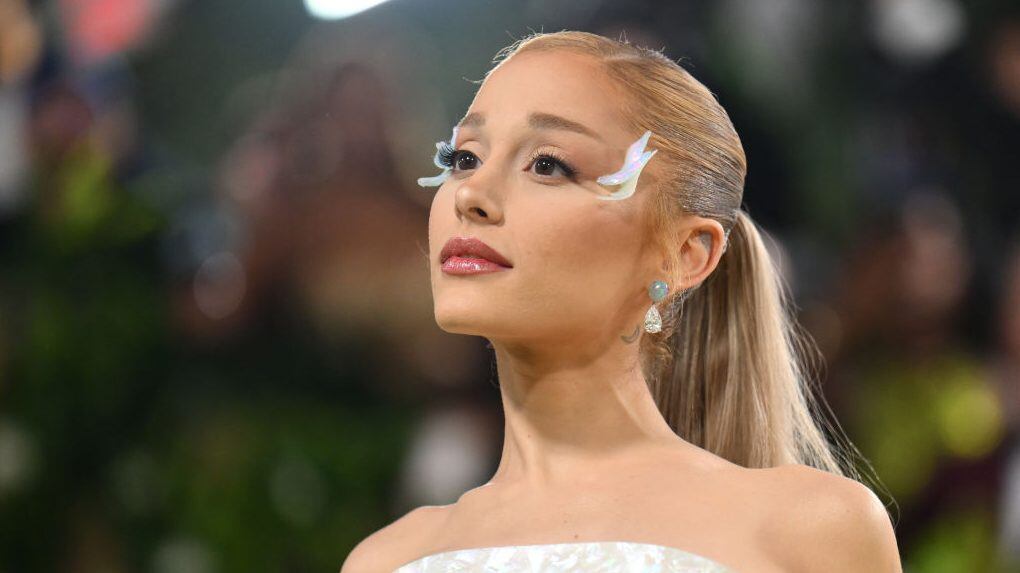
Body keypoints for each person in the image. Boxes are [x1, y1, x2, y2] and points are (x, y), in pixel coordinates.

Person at [341, 30, 902, 572]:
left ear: (685, 254)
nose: (471, 195)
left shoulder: (812, 528)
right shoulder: (385, 560)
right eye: (464, 158)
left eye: (548, 164)